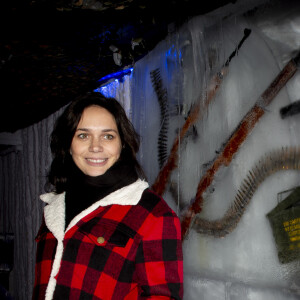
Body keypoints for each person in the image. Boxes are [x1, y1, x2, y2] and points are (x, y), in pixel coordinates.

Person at [32, 92, 183, 300]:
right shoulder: (55, 207)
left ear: (122, 144)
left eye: (108, 136)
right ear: (68, 144)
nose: (96, 147)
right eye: (83, 135)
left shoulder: (152, 214)